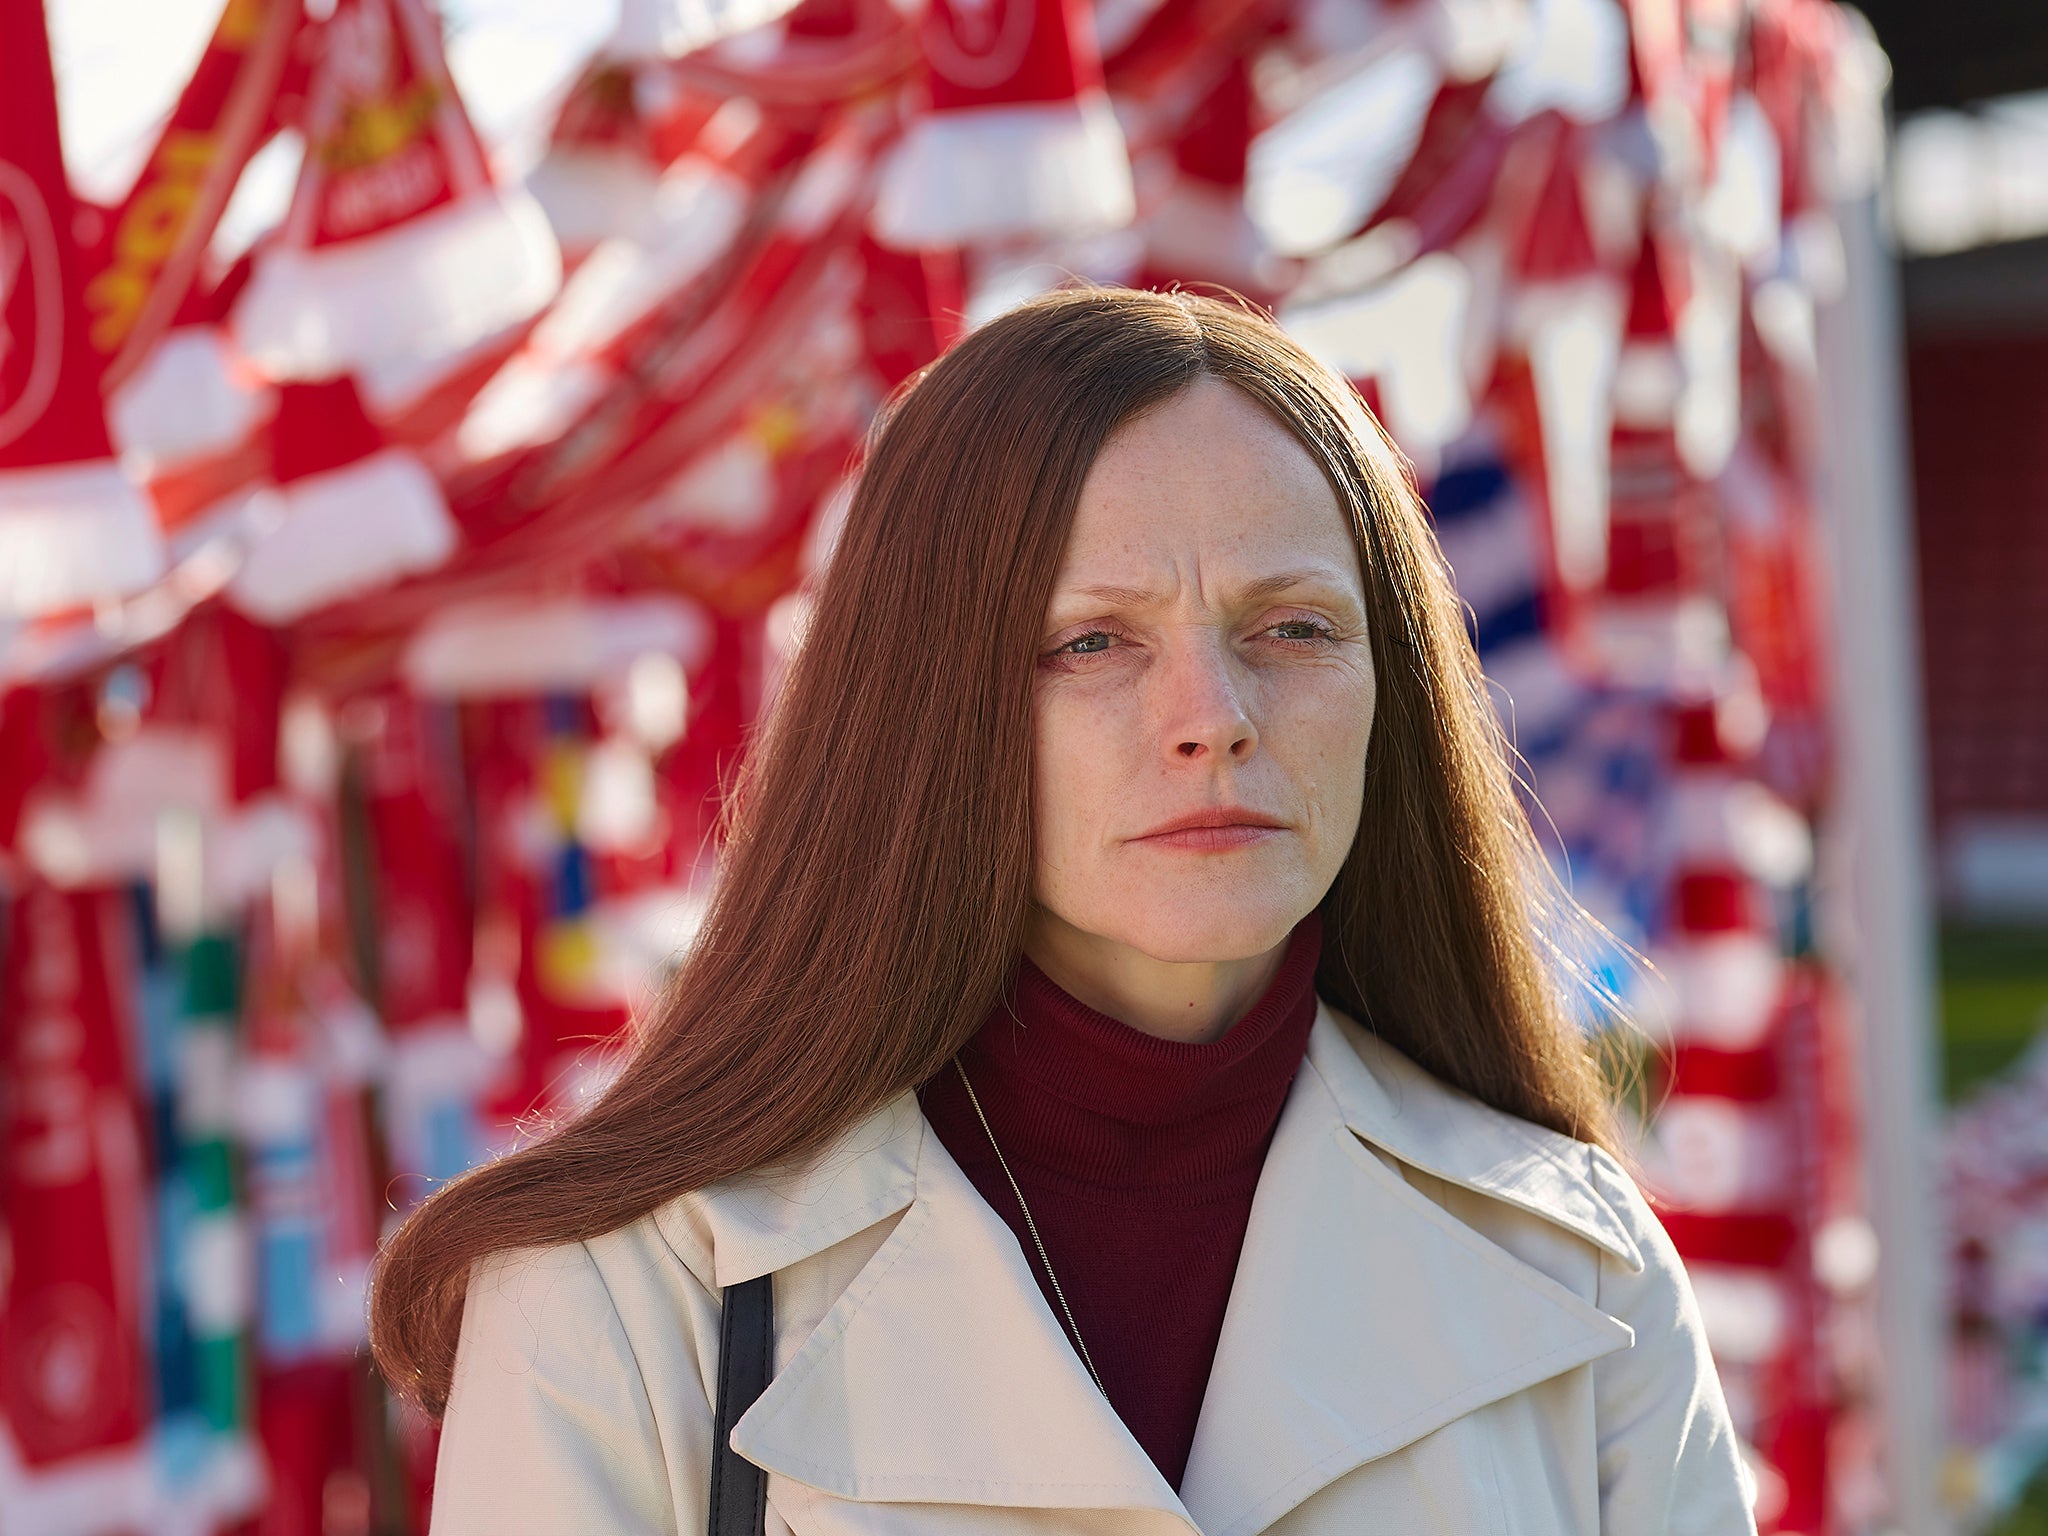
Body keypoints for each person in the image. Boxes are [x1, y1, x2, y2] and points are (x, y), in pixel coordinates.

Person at [370, 286, 1757, 1534]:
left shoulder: (1583, 1271)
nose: (1213, 719)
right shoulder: (616, 1298)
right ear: (928, 702)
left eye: (1293, 627)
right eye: (1093, 642)